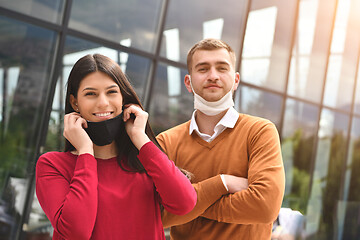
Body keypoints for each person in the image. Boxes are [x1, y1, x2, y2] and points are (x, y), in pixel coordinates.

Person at [35, 54, 197, 240]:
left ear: (123, 100)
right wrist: (86, 151)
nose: (103, 102)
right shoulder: (53, 165)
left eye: (111, 92)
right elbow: (76, 233)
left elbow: (185, 203)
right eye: (90, 94)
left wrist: (139, 137)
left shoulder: (145, 161)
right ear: (74, 103)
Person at [157, 38, 285, 239]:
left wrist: (187, 203)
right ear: (188, 83)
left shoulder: (260, 132)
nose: (213, 76)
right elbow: (157, 214)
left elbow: (265, 206)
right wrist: (222, 184)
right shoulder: (166, 142)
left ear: (235, 80)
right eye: (203, 69)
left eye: (222, 68)